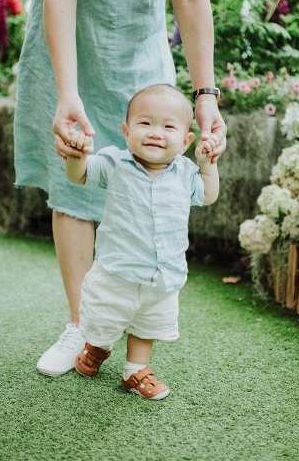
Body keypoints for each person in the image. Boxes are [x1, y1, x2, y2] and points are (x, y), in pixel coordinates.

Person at [13, 0, 227, 377]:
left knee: (146, 177)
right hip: (66, 52)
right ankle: (82, 326)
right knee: (72, 176)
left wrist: (206, 95)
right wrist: (67, 93)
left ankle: (134, 324)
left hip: (139, 46)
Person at [64, 83, 219, 400]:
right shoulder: (114, 164)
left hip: (162, 275)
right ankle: (97, 345)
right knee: (104, 318)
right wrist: (77, 157)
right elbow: (78, 176)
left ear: (186, 140)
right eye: (145, 123)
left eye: (168, 127)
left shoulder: (186, 173)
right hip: (117, 272)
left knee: (147, 324)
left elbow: (208, 195)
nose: (156, 133)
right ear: (126, 130)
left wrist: (208, 165)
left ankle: (135, 370)